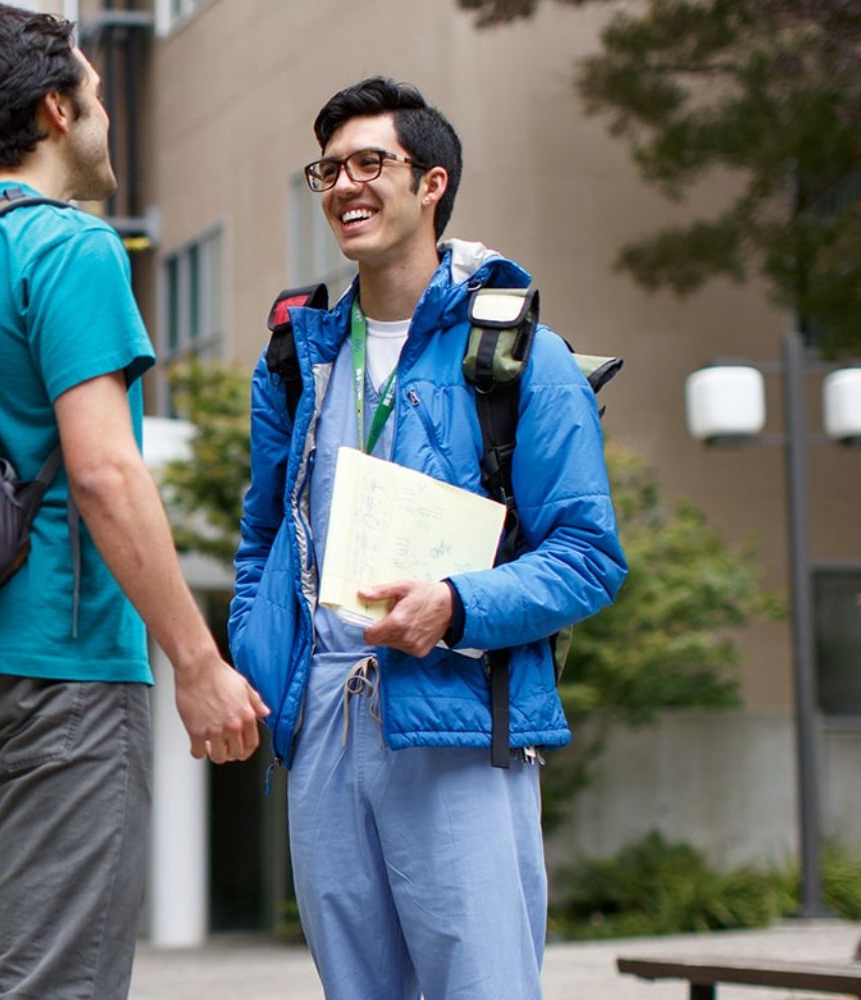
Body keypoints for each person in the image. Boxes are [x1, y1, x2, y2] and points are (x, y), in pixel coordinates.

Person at [0, 5, 267, 998]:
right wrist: (195, 658)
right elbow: (103, 473)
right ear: (56, 111)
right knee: (59, 982)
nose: (102, 115)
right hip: (60, 666)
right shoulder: (70, 248)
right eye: (91, 94)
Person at [229, 76, 627, 999]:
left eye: (371, 163)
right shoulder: (298, 360)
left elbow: (588, 555)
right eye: (327, 169)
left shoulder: (524, 356)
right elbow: (261, 538)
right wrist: (255, 655)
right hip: (324, 712)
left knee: (481, 985)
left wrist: (455, 606)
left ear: (433, 183)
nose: (344, 186)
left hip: (456, 707)